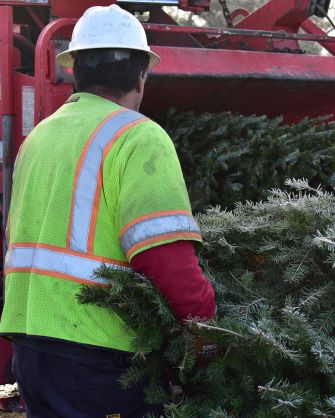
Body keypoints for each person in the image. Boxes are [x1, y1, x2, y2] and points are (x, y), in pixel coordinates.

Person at [0, 5, 216, 417]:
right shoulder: (139, 137)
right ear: (141, 74)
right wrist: (208, 327)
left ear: (75, 70)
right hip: (98, 359)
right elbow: (163, 257)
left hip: (30, 348)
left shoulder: (38, 138)